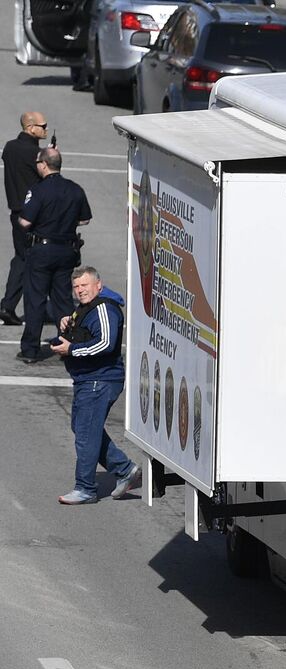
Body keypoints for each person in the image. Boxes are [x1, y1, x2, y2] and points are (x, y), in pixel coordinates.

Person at [51, 266, 137, 504]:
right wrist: (67, 327)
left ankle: (86, 488)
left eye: (85, 285)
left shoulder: (104, 309)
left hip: (100, 379)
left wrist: (72, 349)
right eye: (76, 287)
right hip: (87, 379)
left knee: (86, 435)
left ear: (98, 285)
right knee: (85, 430)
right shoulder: (86, 308)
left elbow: (106, 344)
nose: (80, 291)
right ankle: (125, 469)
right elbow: (85, 336)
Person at [16, 148, 90, 363]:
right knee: (63, 300)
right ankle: (66, 343)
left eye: (38, 162)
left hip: (41, 250)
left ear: (44, 164)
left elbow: (25, 222)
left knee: (36, 300)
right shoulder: (75, 189)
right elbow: (84, 219)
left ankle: (30, 349)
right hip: (67, 250)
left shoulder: (39, 190)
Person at [2, 112, 46, 326]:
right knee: (31, 259)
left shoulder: (10, 147)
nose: (45, 129)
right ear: (30, 127)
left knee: (22, 257)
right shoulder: (37, 153)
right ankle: (9, 305)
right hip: (34, 215)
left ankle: (12, 305)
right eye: (42, 126)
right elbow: (49, 176)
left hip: (16, 211)